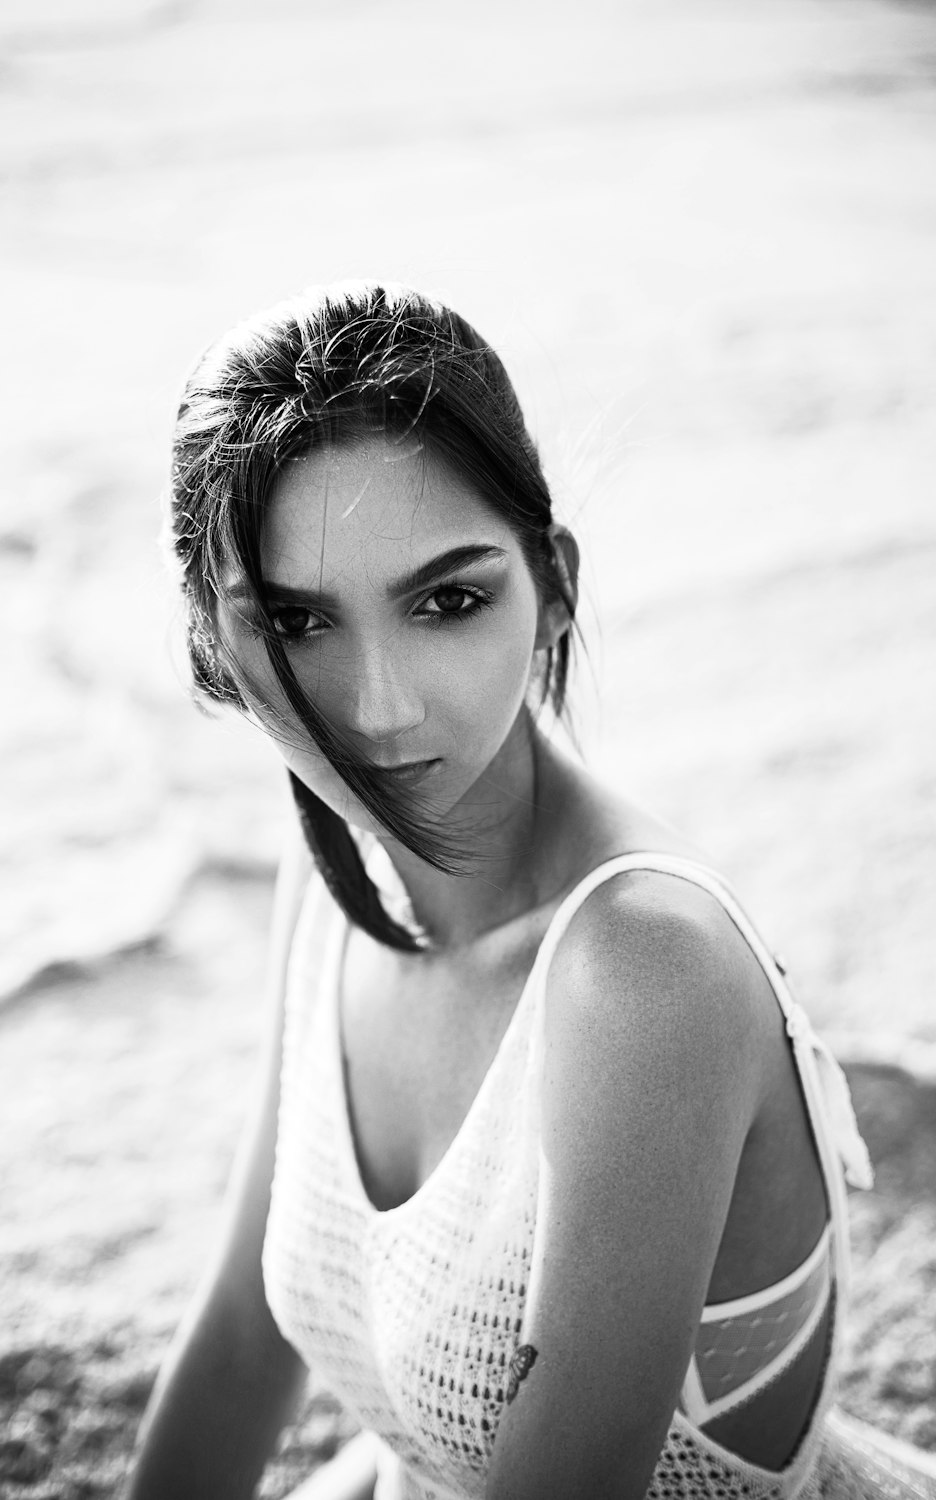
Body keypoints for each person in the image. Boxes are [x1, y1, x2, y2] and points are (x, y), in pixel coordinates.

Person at [126, 282, 936, 1500]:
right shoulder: (331, 871)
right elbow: (247, 1338)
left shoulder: (643, 969)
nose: (382, 709)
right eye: (297, 622)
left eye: (448, 600)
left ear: (550, 583)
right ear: (217, 640)